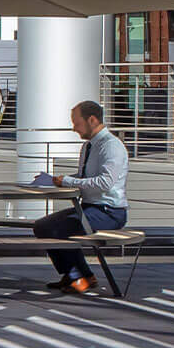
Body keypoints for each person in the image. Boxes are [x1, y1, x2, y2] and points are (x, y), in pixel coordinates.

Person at [35, 100, 129, 294]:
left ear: (92, 120)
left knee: (60, 229)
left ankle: (79, 277)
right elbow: (87, 178)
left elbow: (105, 183)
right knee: (42, 226)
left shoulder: (111, 147)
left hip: (109, 212)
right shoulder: (89, 146)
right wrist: (57, 180)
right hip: (89, 207)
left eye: (76, 123)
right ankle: (77, 274)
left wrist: (68, 181)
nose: (74, 128)